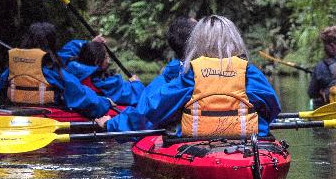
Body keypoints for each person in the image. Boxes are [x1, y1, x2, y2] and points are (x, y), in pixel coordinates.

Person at [97, 15, 280, 139]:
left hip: (197, 143)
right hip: (250, 143)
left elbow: (153, 109)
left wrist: (111, 125)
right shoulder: (248, 71)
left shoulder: (191, 73)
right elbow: (273, 108)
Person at [0, 22, 113, 119]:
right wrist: (106, 102)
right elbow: (85, 99)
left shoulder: (12, 70)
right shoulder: (56, 74)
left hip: (15, 112)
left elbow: (0, 92)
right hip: (48, 115)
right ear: (52, 44)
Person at [64, 39, 145, 106]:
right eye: (106, 57)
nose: (108, 61)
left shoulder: (70, 68)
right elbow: (137, 95)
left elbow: (70, 51)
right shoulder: (105, 83)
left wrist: (91, 45)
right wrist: (136, 83)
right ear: (97, 62)